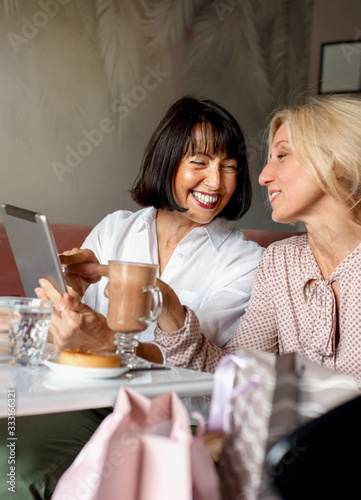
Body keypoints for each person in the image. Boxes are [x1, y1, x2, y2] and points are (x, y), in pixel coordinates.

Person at [0, 95, 264, 500]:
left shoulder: (244, 262)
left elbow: (192, 362)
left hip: (163, 413)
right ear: (167, 160)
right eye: (200, 162)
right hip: (79, 396)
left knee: (20, 473)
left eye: (229, 166)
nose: (216, 182)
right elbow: (67, 327)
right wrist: (68, 298)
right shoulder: (116, 229)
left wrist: (106, 342)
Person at [153, 94, 361, 390]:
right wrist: (171, 312)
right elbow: (236, 379)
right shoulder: (281, 262)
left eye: (282, 155)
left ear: (338, 163)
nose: (263, 176)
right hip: (290, 435)